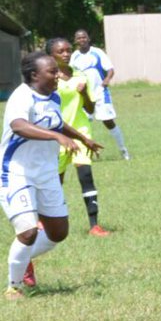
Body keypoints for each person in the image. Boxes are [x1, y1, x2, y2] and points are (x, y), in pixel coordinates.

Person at [4, 52, 103, 300]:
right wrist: (56, 137)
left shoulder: (54, 96)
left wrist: (82, 137)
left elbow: (56, 122)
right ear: (35, 75)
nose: (57, 74)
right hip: (17, 173)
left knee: (58, 232)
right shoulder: (22, 95)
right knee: (28, 232)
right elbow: (19, 125)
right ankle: (13, 286)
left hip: (46, 173)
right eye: (52, 71)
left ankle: (21, 257)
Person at [51, 38, 111, 237]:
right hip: (57, 134)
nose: (66, 54)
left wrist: (85, 93)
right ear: (51, 55)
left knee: (86, 177)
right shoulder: (48, 79)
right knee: (54, 182)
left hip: (81, 132)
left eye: (69, 50)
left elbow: (90, 108)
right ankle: (48, 223)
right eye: (61, 51)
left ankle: (94, 225)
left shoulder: (80, 75)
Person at [70, 29, 130, 159]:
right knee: (83, 123)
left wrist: (107, 80)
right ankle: (84, 154)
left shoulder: (97, 52)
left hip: (100, 92)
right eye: (79, 38)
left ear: (88, 38)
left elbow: (110, 69)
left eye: (84, 37)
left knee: (108, 122)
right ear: (75, 41)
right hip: (84, 95)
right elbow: (70, 73)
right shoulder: (74, 56)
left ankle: (123, 150)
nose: (82, 40)